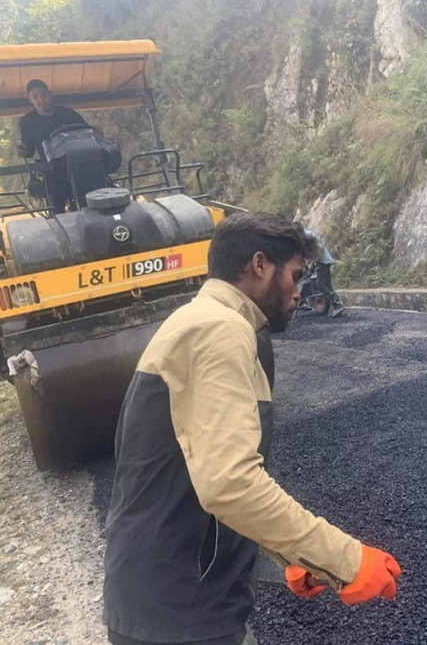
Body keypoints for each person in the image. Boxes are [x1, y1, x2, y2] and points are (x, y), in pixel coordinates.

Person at [103, 212, 401, 645]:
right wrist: (345, 561)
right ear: (260, 265)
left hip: (173, 596)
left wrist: (293, 557)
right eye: (296, 276)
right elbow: (231, 483)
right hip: (180, 612)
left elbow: (199, 469)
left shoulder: (203, 320)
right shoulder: (218, 332)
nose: (299, 292)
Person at [17, 79, 88, 212]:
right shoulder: (27, 122)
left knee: (87, 203)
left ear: (50, 94)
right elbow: (29, 150)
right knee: (56, 209)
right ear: (29, 99)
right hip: (52, 171)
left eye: (43, 95)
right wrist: (23, 150)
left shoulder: (67, 113)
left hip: (79, 167)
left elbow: (87, 131)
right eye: (35, 97)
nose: (40, 100)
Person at [304, 228, 344, 317]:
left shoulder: (310, 237)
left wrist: (312, 266)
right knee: (328, 285)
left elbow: (319, 253)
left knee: (321, 285)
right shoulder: (311, 238)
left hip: (323, 262)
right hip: (324, 261)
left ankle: (337, 305)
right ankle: (337, 306)